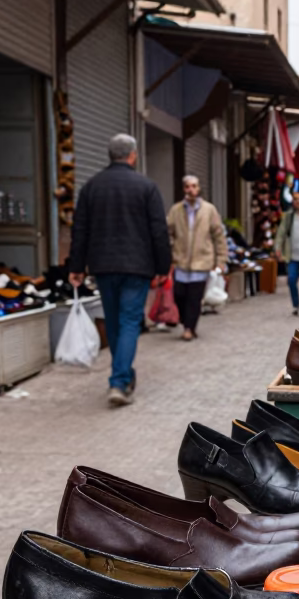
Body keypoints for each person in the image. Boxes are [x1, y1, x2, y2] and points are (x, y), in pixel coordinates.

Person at [69, 133, 170, 406]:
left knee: (114, 322)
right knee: (128, 322)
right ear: (133, 155)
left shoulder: (92, 187)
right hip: (137, 267)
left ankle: (121, 376)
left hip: (103, 266)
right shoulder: (146, 187)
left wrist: (76, 266)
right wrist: (163, 266)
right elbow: (159, 231)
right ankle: (119, 381)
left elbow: (80, 230)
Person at [166, 174, 227, 341]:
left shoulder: (209, 210)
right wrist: (170, 252)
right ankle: (187, 322)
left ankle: (188, 328)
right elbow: (168, 232)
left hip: (202, 260)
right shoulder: (176, 210)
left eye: (193, 186)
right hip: (181, 260)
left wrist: (221, 259)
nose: (190, 190)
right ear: (183, 189)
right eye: (187, 187)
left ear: (199, 189)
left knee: (194, 297)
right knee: (179, 295)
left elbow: (218, 235)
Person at [274, 189, 299, 316]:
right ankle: (296, 305)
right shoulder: (288, 216)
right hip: (292, 255)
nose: (298, 202)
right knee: (291, 280)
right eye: (295, 199)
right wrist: (277, 248)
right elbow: (281, 233)